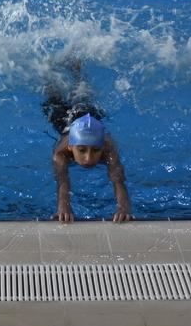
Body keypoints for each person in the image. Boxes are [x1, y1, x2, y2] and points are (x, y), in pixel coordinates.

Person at [43, 64, 132, 223]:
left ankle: (77, 70)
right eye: (82, 150)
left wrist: (123, 208)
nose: (88, 158)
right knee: (54, 98)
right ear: (71, 147)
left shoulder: (109, 149)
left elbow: (118, 180)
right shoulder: (61, 154)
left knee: (84, 94)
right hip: (64, 119)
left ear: (103, 147)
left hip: (91, 115)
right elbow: (63, 180)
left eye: (95, 150)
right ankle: (49, 71)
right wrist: (63, 206)